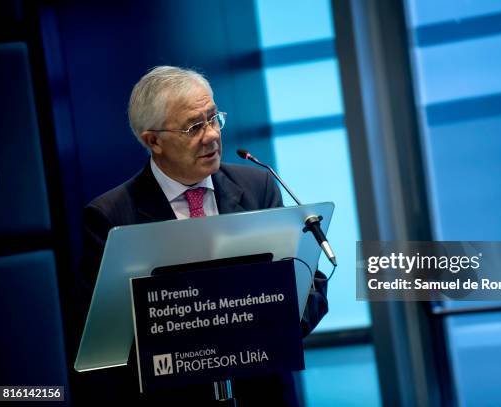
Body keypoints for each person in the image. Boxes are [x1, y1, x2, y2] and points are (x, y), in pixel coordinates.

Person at [77, 66, 328, 406]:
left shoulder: (257, 186)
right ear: (153, 141)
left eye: (213, 119)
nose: (211, 135)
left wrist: (269, 326)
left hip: (260, 392)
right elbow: (111, 332)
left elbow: (308, 284)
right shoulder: (110, 216)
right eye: (194, 127)